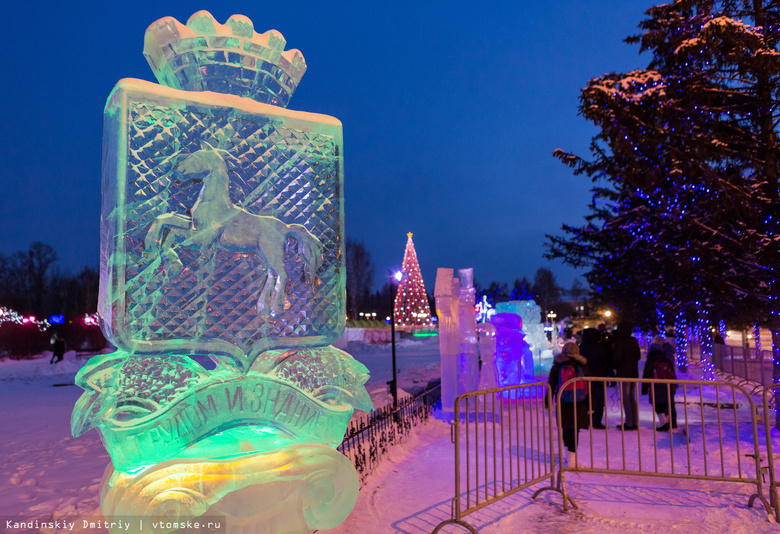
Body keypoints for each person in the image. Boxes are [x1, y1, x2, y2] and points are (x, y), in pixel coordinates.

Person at [548, 342, 591, 466]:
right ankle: (572, 458)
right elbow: (589, 384)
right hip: (580, 401)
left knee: (566, 427)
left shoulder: (558, 364)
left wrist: (548, 401)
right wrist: (590, 404)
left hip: (563, 400)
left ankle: (567, 455)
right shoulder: (582, 365)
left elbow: (551, 384)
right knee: (575, 429)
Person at [641, 336, 678, 430]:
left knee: (657, 404)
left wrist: (644, 388)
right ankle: (669, 422)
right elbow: (672, 371)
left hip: (656, 385)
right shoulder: (665, 358)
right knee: (667, 403)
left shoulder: (651, 359)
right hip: (667, 384)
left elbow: (646, 373)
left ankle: (664, 423)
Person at [579, 328, 610, 429]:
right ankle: (596, 421)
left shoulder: (581, 348)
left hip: (584, 377)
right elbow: (605, 361)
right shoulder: (600, 348)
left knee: (585, 398)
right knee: (599, 400)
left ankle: (586, 419)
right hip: (599, 376)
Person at [612, 321, 640, 430]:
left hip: (624, 372)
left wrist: (614, 365)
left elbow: (618, 357)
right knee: (632, 398)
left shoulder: (621, 341)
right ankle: (634, 422)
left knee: (626, 398)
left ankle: (629, 423)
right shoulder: (633, 341)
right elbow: (637, 356)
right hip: (633, 372)